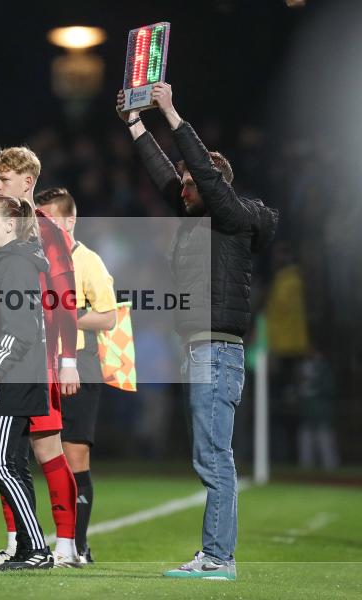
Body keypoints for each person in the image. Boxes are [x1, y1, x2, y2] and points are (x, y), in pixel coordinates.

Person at [117, 83, 278, 580]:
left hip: (216, 350)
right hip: (199, 349)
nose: (181, 189)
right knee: (208, 455)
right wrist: (136, 125)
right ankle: (214, 554)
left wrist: (169, 111)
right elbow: (167, 175)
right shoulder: (200, 219)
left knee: (214, 457)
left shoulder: (231, 219)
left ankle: (219, 557)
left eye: (191, 183)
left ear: (213, 186)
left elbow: (200, 177)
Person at [0, 147, 82, 568]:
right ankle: (18, 540)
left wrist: (67, 359)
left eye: (3, 178)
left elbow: (64, 298)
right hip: (10, 354)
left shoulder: (45, 231)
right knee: (8, 452)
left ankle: (66, 543)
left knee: (46, 448)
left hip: (37, 357)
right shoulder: (4, 233)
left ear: (27, 181)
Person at [35, 187, 117, 563]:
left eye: (49, 219)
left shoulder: (89, 261)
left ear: (69, 220)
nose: (43, 227)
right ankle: (34, 542)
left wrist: (66, 314)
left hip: (80, 362)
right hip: (41, 363)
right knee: (41, 454)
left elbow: (110, 316)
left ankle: (78, 545)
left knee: (74, 455)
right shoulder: (36, 260)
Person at [0, 195, 53, 569]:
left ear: (9, 225)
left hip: (15, 379)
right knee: (13, 465)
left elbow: (20, 331)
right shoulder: (13, 264)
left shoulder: (16, 266)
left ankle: (37, 548)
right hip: (20, 377)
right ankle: (28, 548)